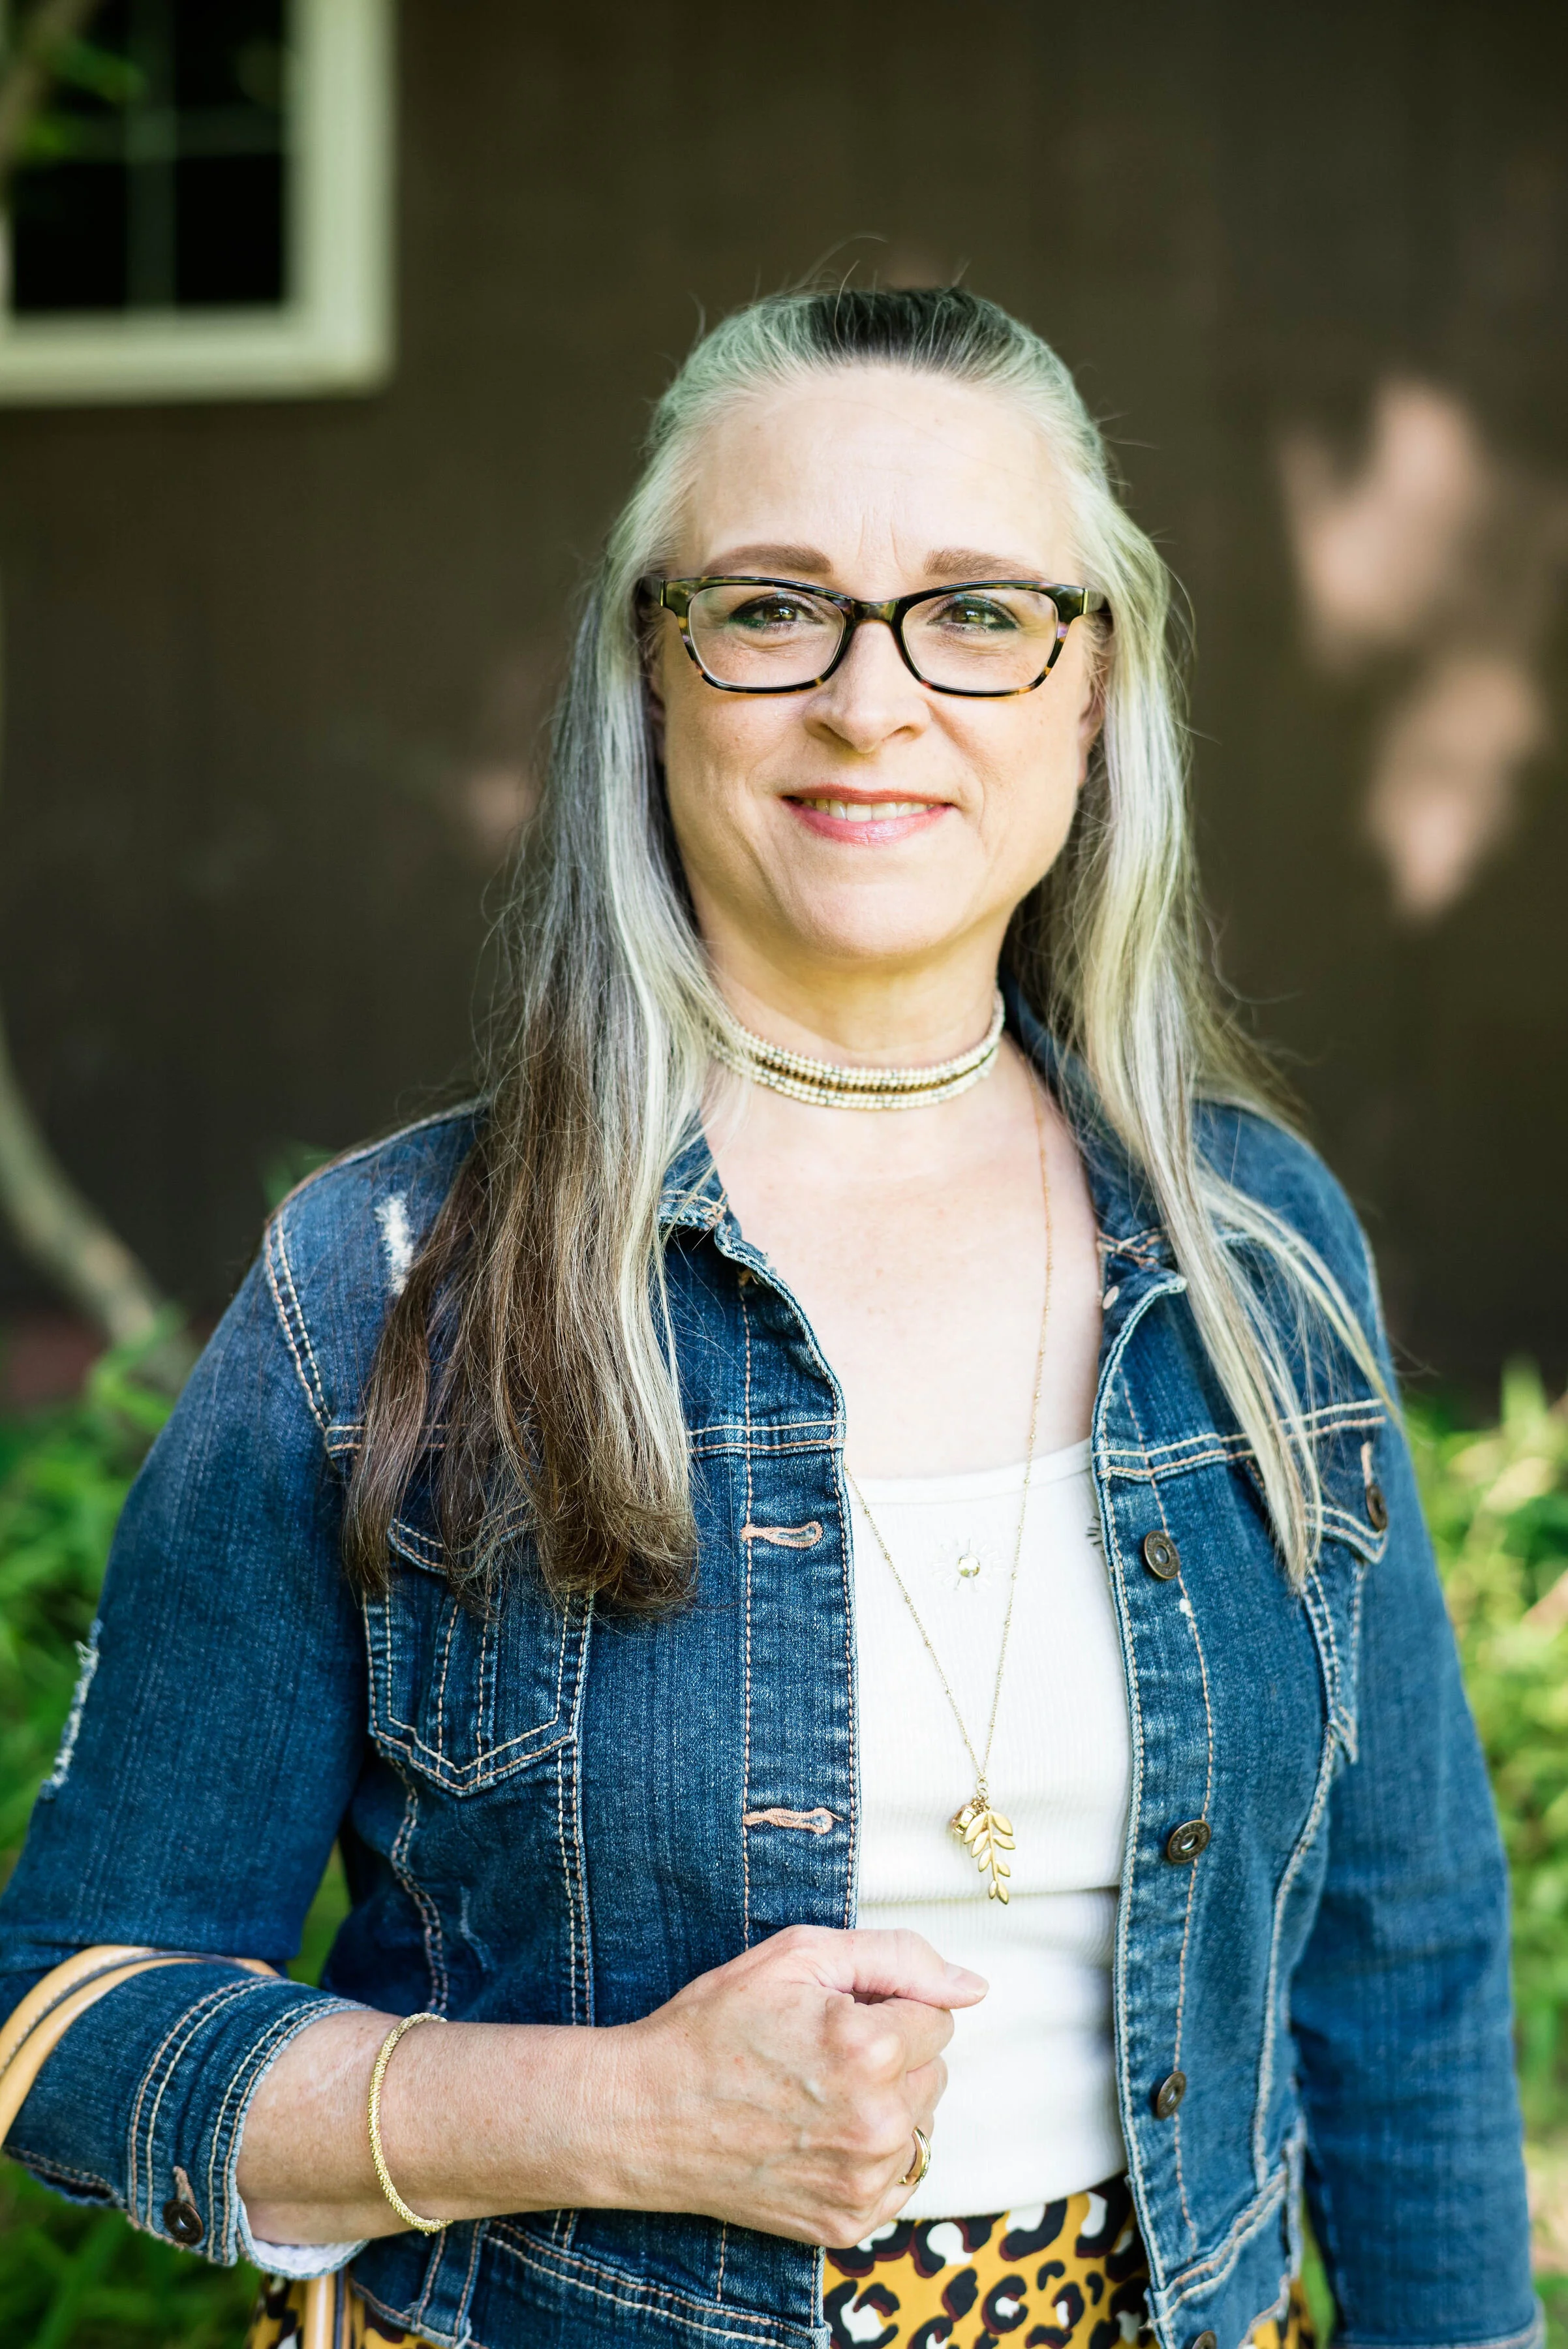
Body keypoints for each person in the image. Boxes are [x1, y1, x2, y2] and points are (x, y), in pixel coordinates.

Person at [0, 288, 1536, 2349]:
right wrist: (609, 2111)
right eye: (772, 607)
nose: (873, 701)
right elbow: (65, 2022)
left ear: (1094, 694)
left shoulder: (1257, 1245)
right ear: (652, 674)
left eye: (981, 611)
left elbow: (1403, 1956)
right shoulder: (385, 1290)